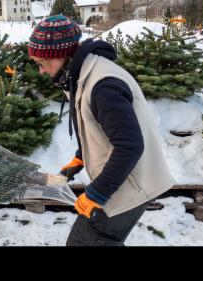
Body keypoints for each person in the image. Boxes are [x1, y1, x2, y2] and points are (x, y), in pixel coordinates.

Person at [28, 15, 174, 246]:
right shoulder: (84, 74)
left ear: (59, 55)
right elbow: (102, 127)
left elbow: (130, 146)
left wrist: (96, 194)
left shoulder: (102, 84)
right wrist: (80, 157)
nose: (41, 71)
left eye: (40, 63)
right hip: (123, 179)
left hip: (130, 185)